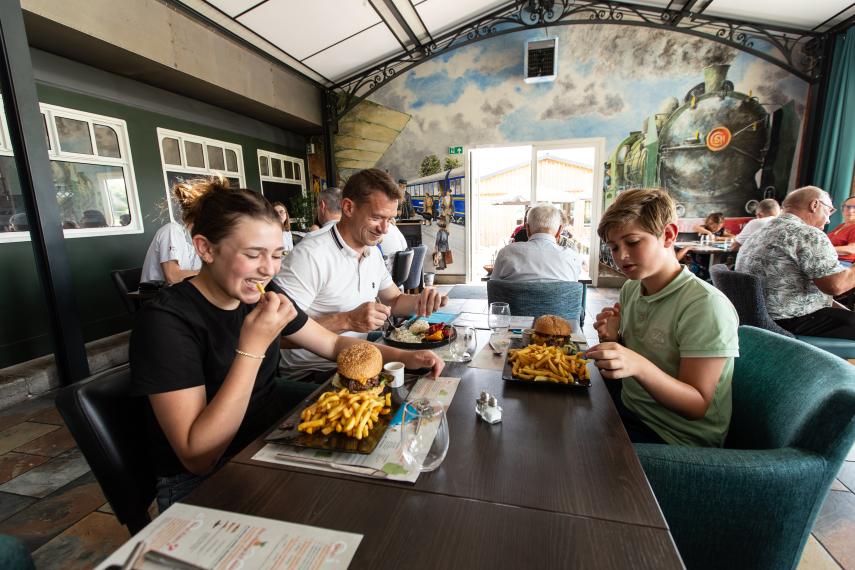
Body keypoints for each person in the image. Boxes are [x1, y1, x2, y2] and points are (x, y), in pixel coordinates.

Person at [130, 176, 444, 511]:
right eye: (254, 254)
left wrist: (405, 357)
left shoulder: (258, 295)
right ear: (205, 248)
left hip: (270, 433)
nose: (268, 270)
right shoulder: (165, 322)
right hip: (203, 481)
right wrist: (252, 347)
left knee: (396, 445)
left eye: (277, 254)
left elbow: (334, 345)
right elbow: (198, 456)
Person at [587, 188, 739, 447]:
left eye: (633, 242)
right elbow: (642, 358)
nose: (621, 256)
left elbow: (697, 405)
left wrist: (637, 364)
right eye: (613, 247)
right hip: (628, 409)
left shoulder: (705, 305)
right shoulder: (632, 288)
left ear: (668, 235)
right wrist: (616, 340)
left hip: (673, 437)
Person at [274, 168, 448, 381]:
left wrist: (423, 301)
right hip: (314, 373)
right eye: (377, 217)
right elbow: (277, 335)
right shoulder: (310, 255)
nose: (385, 229)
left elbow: (393, 300)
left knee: (437, 372)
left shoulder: (371, 250)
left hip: (361, 361)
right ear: (348, 207)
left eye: (390, 219)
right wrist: (345, 320)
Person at [736, 186, 855, 339]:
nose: (828, 219)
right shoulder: (808, 234)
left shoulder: (760, 231)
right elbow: (835, 286)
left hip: (757, 317)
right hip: (789, 319)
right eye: (829, 211)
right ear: (815, 205)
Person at [490, 203, 582, 282]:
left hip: (516, 303)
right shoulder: (573, 257)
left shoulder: (506, 253)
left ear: (527, 229)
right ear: (559, 231)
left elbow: (494, 290)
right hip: (561, 303)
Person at [141, 218, 201, 285]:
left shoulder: (197, 241)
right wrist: (206, 274)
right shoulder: (172, 230)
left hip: (181, 290)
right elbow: (172, 277)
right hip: (156, 292)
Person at [828, 196, 855, 267]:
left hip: (842, 263)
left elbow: (852, 249)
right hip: (829, 259)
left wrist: (823, 249)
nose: (850, 210)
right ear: (843, 209)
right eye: (848, 207)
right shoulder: (841, 226)